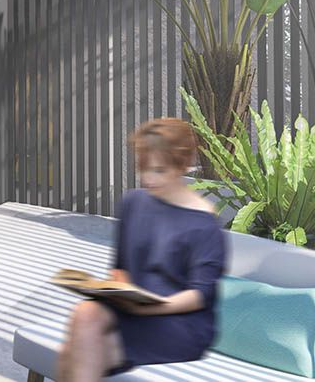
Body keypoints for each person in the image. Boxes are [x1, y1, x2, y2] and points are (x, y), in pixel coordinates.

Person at [55, 118, 227, 382]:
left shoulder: (204, 224)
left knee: (79, 351)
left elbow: (199, 295)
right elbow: (121, 265)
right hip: (133, 309)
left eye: (159, 171)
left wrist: (149, 309)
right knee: (84, 313)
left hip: (179, 320)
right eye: (144, 169)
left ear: (181, 166)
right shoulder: (134, 202)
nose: (148, 179)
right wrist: (118, 291)